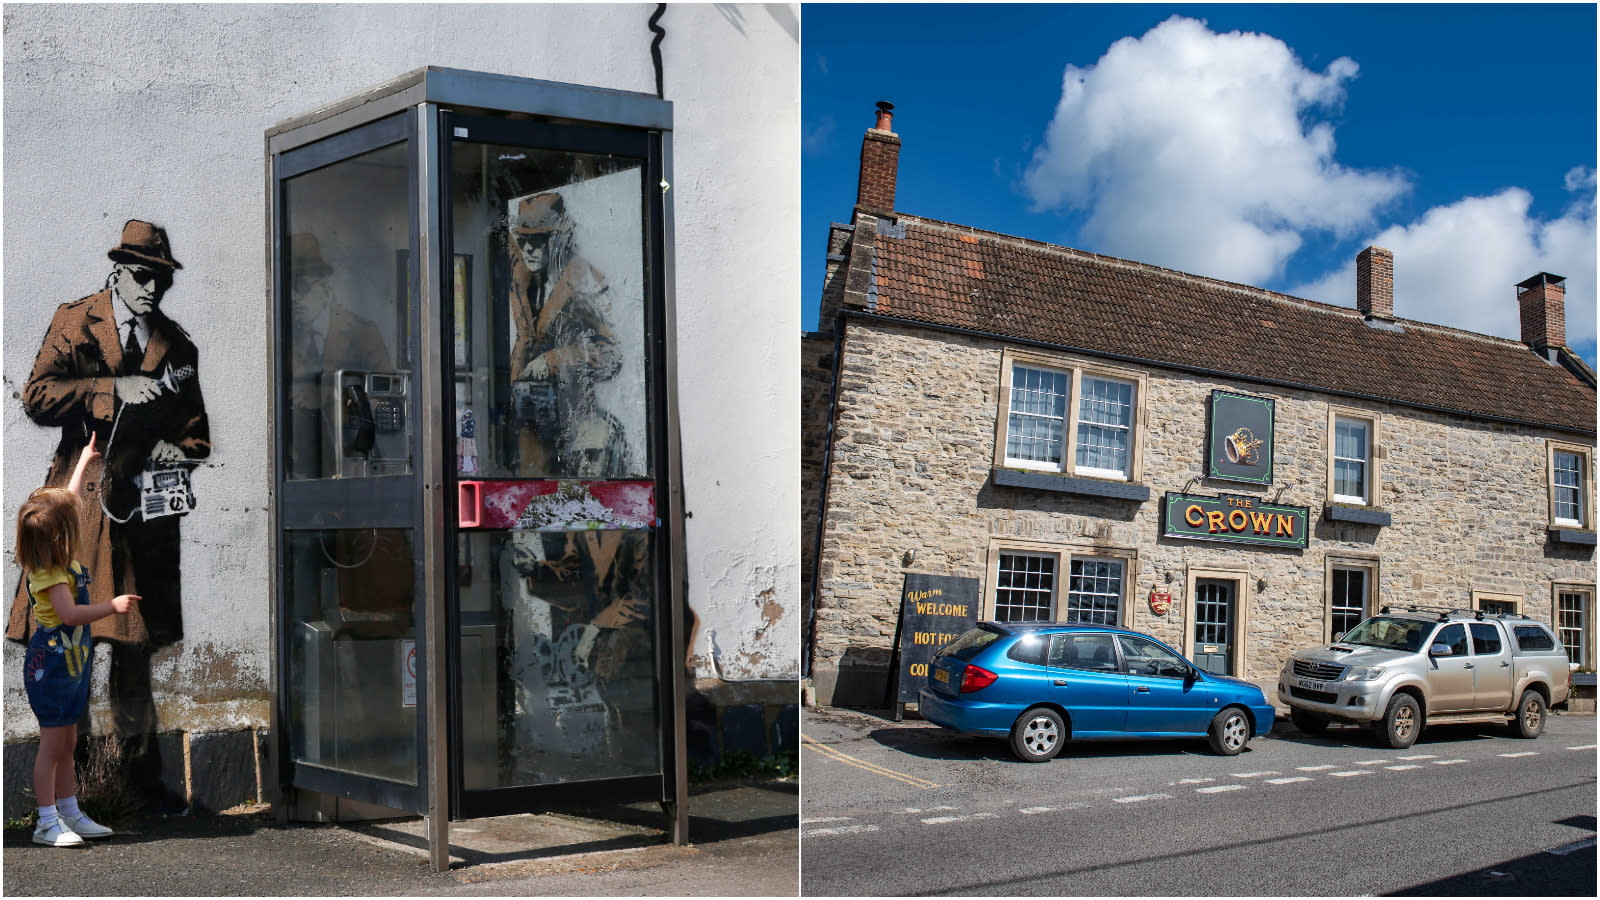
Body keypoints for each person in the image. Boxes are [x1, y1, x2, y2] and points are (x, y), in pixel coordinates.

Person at [5, 220, 209, 809]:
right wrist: (111, 389)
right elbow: (38, 395)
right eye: (142, 276)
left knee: (134, 651)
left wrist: (182, 449)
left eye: (161, 280)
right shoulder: (77, 320)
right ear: (118, 270)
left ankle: (139, 782)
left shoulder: (178, 345)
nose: (152, 289)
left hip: (145, 516)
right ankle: (79, 786)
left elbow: (198, 435)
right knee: (74, 645)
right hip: (81, 508)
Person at [15, 433, 139, 847]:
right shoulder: (50, 575)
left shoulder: (57, 554)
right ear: (59, 537)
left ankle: (69, 812)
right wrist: (111, 606)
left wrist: (84, 460)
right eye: (72, 524)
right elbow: (69, 615)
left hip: (69, 662)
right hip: (50, 666)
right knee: (52, 745)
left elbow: (68, 499)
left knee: (67, 741)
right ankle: (46, 822)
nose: (80, 521)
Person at [506, 192, 629, 477]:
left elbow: (612, 356)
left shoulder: (583, 279)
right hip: (533, 420)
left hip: (576, 420)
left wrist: (553, 360)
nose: (529, 250)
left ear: (558, 239)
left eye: (538, 240)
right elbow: (524, 341)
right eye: (522, 241)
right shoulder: (523, 283)